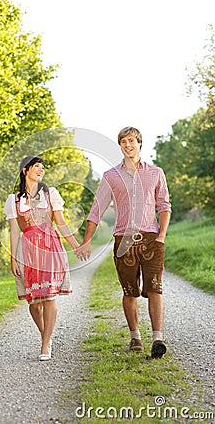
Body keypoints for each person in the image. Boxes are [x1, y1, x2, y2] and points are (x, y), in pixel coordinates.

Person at [75, 127, 171, 358]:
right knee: (130, 292)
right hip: (123, 241)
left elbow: (164, 206)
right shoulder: (111, 176)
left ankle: (157, 338)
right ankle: (135, 337)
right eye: (122, 142)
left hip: (151, 239)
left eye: (130, 141)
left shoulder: (156, 173)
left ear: (139, 143)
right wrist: (86, 241)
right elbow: (96, 209)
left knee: (155, 289)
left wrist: (161, 237)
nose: (127, 145)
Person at [4, 155, 79, 361]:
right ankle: (46, 333)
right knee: (34, 303)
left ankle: (45, 343)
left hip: (50, 246)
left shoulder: (50, 194)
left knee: (49, 296)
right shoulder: (14, 200)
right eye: (36, 166)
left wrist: (75, 245)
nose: (40, 170)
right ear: (25, 171)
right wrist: (12, 259)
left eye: (42, 167)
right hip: (27, 250)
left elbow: (61, 222)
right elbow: (13, 231)